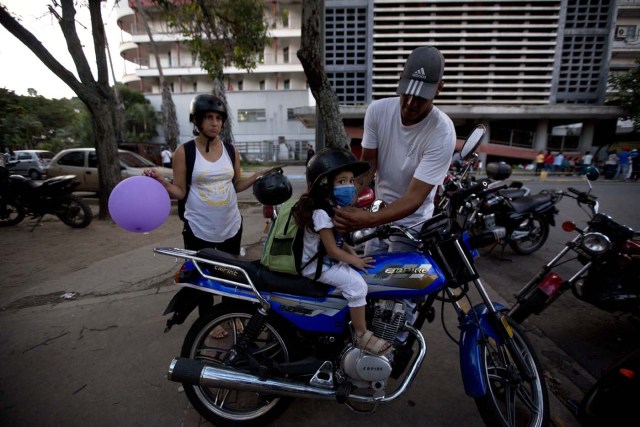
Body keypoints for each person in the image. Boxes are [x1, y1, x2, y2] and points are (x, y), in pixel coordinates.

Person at [332, 45, 456, 343]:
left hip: (413, 223)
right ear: (400, 79)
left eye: (421, 96)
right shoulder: (379, 111)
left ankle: (394, 345)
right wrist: (344, 200)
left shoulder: (442, 132)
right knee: (368, 282)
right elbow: (368, 167)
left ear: (439, 88)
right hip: (378, 211)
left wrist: (362, 220)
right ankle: (362, 345)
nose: (410, 103)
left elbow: (414, 198)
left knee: (402, 296)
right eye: (406, 92)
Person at [293, 148, 392, 355]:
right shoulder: (321, 213)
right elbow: (331, 249)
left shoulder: (331, 207)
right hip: (316, 267)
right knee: (357, 286)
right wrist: (354, 261)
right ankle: (361, 335)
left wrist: (353, 254)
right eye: (341, 182)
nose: (349, 186)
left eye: (350, 181)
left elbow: (339, 243)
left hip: (326, 260)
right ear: (324, 185)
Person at [144, 94, 269, 253]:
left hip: (231, 226)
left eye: (218, 118)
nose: (215, 123)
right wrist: (163, 182)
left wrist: (255, 176)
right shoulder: (184, 151)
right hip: (198, 228)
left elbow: (236, 185)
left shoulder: (231, 150)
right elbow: (181, 192)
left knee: (228, 274)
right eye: (209, 117)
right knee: (201, 275)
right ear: (196, 120)